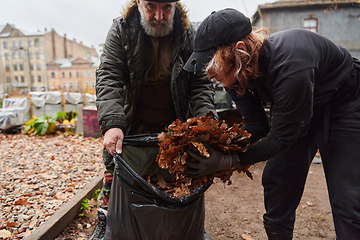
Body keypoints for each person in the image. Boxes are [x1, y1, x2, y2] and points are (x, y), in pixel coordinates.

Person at [183, 8, 360, 240]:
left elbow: (281, 139)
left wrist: (227, 161)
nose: (208, 74)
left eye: (211, 62)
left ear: (239, 50)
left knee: (348, 200)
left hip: (344, 105)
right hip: (299, 106)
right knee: (278, 181)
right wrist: (221, 148)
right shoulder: (236, 72)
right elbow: (257, 125)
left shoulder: (290, 66)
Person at [93, 0, 217, 239]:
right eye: (151, 6)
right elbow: (109, 75)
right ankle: (106, 218)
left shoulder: (188, 33)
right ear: (138, 3)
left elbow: (199, 83)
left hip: (174, 121)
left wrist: (205, 123)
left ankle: (186, 223)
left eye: (166, 7)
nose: (159, 16)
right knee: (115, 165)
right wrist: (113, 123)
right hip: (132, 118)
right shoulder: (122, 30)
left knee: (179, 173)